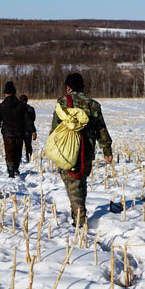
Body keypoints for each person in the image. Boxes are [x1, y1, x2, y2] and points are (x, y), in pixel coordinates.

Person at [50, 72, 113, 227]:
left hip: (68, 151)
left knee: (73, 182)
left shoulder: (63, 102)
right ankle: (78, 215)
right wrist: (107, 150)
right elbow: (101, 129)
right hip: (87, 150)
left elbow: (55, 129)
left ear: (68, 87)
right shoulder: (93, 104)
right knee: (80, 181)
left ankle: (79, 220)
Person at [0, 81, 26, 177]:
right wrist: (32, 130)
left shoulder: (1, 106)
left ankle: (11, 171)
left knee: (9, 152)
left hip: (7, 134)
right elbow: (27, 119)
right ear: (15, 93)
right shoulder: (21, 105)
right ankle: (16, 168)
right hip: (20, 133)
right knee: (18, 152)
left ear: (5, 94)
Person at [20, 94, 37, 163]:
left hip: (19, 130)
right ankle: (28, 159)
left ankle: (19, 159)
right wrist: (33, 131)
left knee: (19, 146)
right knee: (28, 146)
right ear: (26, 100)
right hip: (28, 129)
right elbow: (33, 119)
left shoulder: (17, 109)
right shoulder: (31, 109)